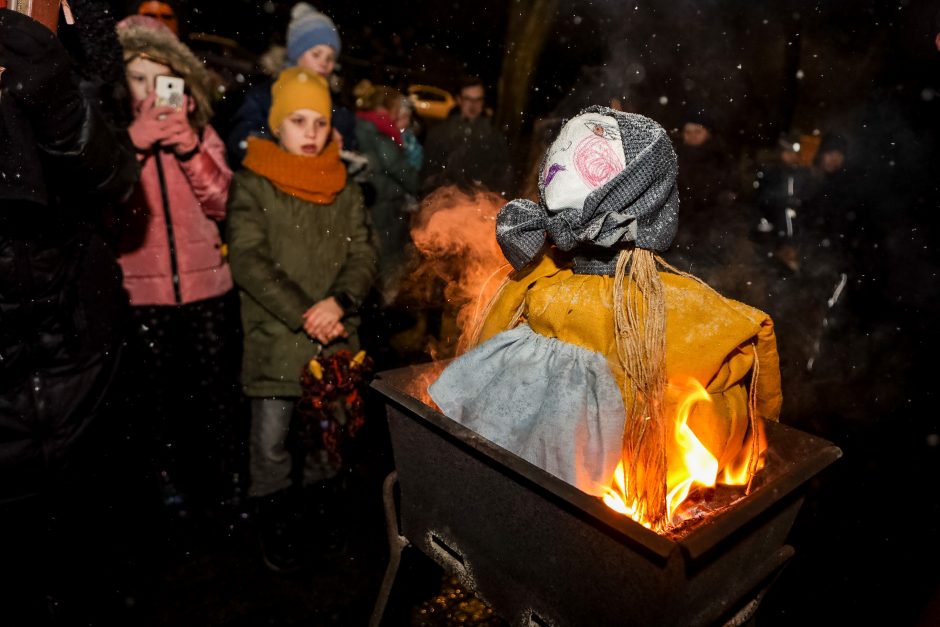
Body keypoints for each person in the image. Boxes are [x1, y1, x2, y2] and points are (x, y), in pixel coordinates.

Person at [429, 107, 782, 531]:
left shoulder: (533, 284)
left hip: (511, 497)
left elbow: (487, 339)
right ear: (653, 206)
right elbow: (748, 412)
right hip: (605, 503)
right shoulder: (681, 317)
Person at [0, 6, 139, 623]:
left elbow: (116, 179)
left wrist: (59, 95)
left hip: (79, 341)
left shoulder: (78, 45)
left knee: (88, 543)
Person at [226, 67, 378, 573]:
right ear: (277, 124)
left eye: (318, 121)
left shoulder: (345, 187)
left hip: (334, 341)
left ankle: (321, 521)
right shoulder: (252, 183)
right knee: (271, 446)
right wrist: (303, 312)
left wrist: (339, 301)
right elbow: (248, 259)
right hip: (277, 340)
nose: (310, 133)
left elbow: (364, 256)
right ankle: (276, 528)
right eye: (297, 121)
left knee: (328, 441)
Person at [115, 15, 241, 518]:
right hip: (142, 295)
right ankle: (168, 487)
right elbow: (106, 203)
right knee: (157, 402)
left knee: (216, 395)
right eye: (138, 76)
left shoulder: (200, 131)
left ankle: (227, 482)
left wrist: (188, 144)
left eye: (161, 77)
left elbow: (225, 203)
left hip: (207, 286)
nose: (150, 90)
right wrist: (135, 143)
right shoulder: (111, 138)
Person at [225, 2, 357, 166]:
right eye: (316, 54)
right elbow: (240, 140)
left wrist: (335, 149)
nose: (324, 63)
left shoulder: (336, 106)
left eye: (330, 58)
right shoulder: (266, 94)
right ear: (297, 53)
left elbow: (349, 148)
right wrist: (280, 143)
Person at [353, 80, 421, 301]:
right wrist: (419, 185)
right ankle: (384, 306)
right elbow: (396, 167)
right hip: (383, 204)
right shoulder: (378, 131)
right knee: (386, 256)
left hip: (377, 200)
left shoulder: (365, 125)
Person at [421, 76, 512, 195]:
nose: (473, 105)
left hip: (482, 207)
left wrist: (484, 187)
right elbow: (427, 176)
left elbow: (504, 177)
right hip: (446, 205)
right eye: (468, 99)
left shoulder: (494, 137)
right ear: (459, 100)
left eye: (478, 100)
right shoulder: (439, 134)